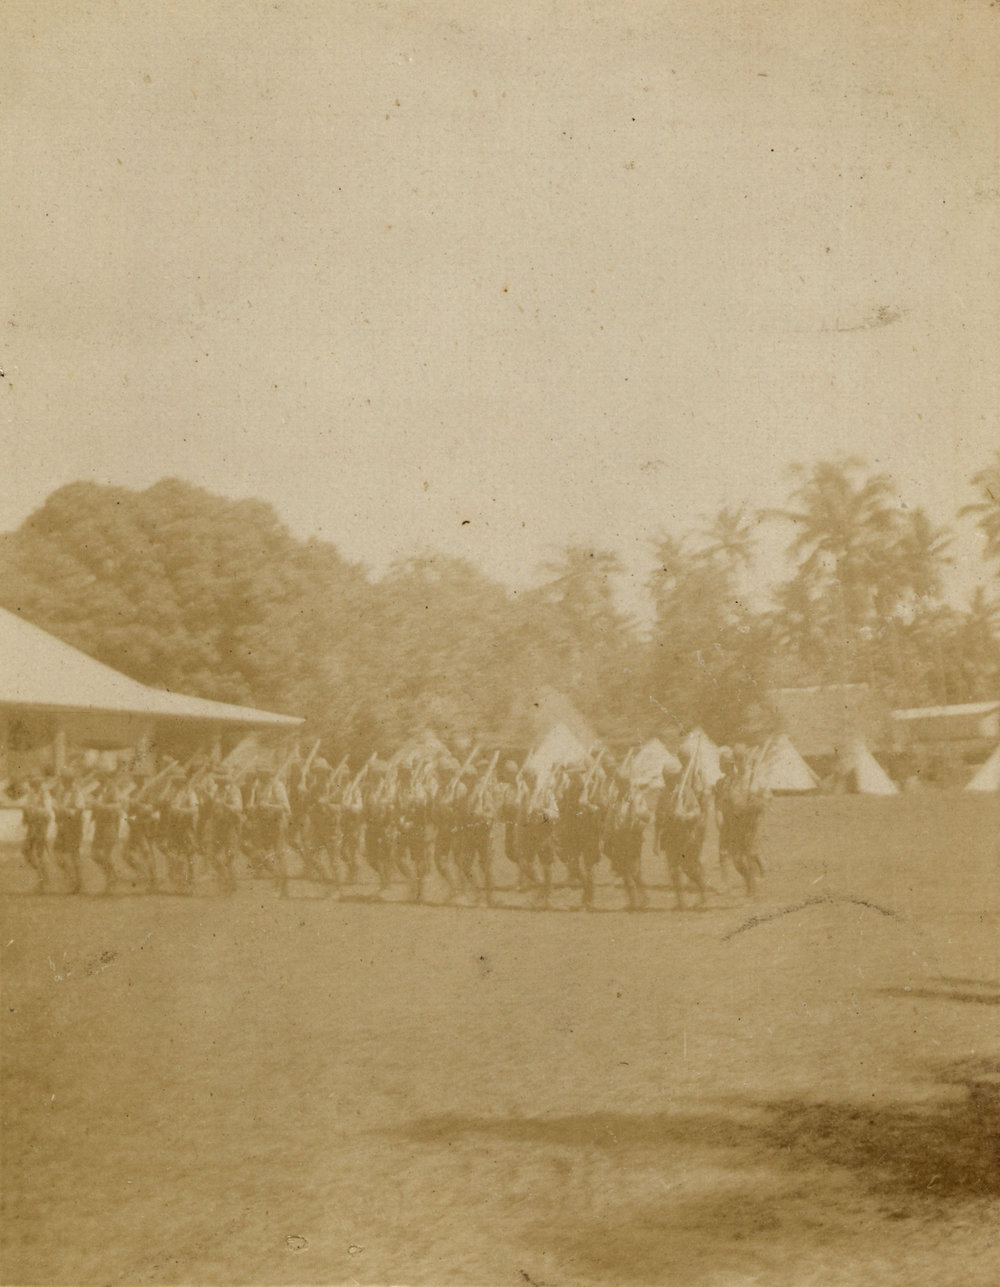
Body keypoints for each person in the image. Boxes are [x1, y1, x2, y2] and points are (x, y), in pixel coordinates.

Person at [656, 755, 708, 910]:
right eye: (665, 777)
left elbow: (697, 811)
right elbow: (658, 816)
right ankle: (680, 901)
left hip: (685, 835)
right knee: (673, 869)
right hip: (670, 835)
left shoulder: (686, 791)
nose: (667, 780)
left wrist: (684, 816)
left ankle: (703, 892)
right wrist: (656, 837)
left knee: (688, 868)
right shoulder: (664, 793)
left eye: (669, 777)